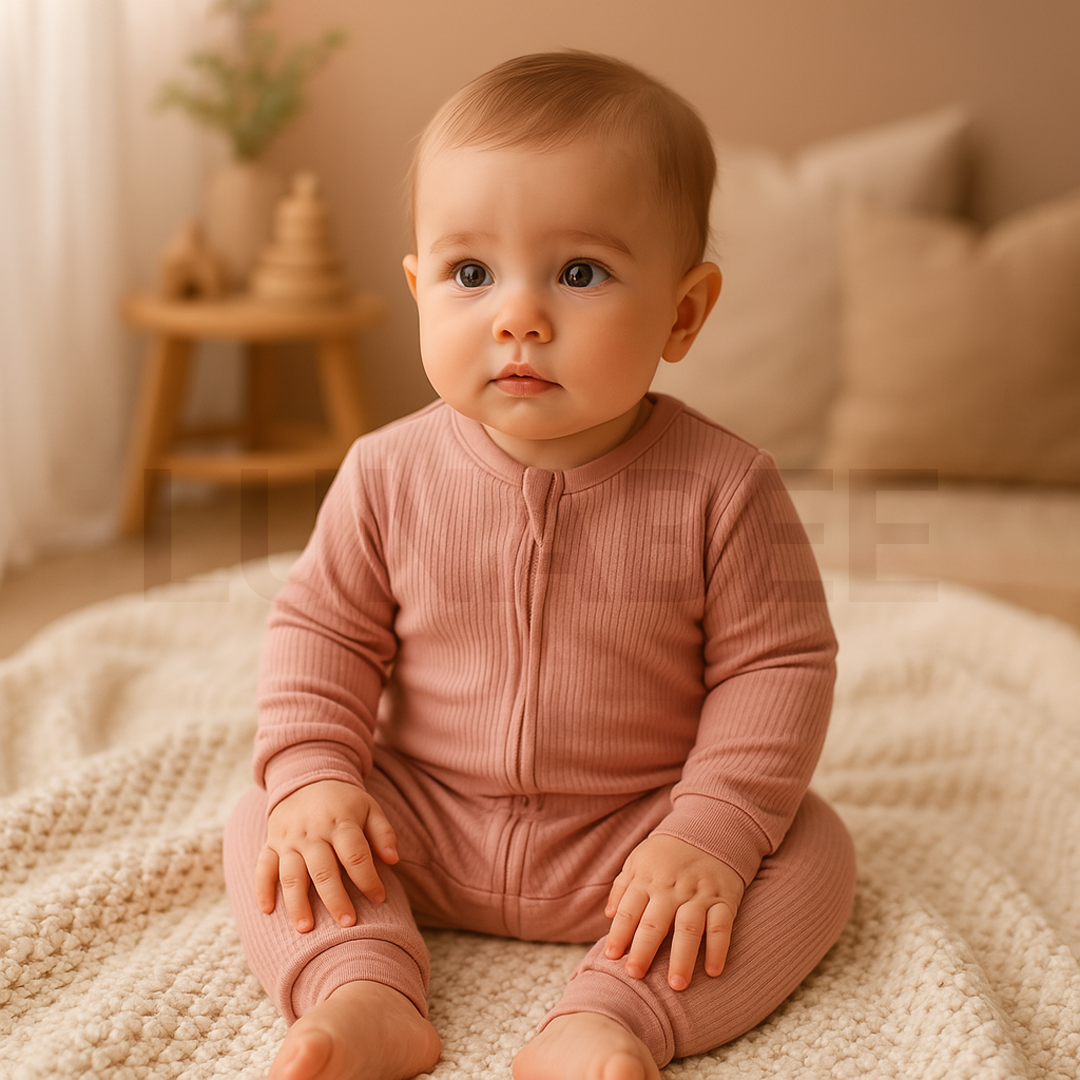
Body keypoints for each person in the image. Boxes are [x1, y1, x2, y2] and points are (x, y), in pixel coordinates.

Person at [223, 50, 856, 1080]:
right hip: (418, 825)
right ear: (422, 289)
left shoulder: (725, 487)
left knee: (812, 853)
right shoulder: (387, 471)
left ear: (684, 313)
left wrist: (710, 833)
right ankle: (362, 986)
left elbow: (779, 667)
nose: (518, 315)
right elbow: (322, 632)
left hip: (638, 836)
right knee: (267, 817)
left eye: (580, 272)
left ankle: (612, 1016)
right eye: (472, 275)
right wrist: (316, 778)